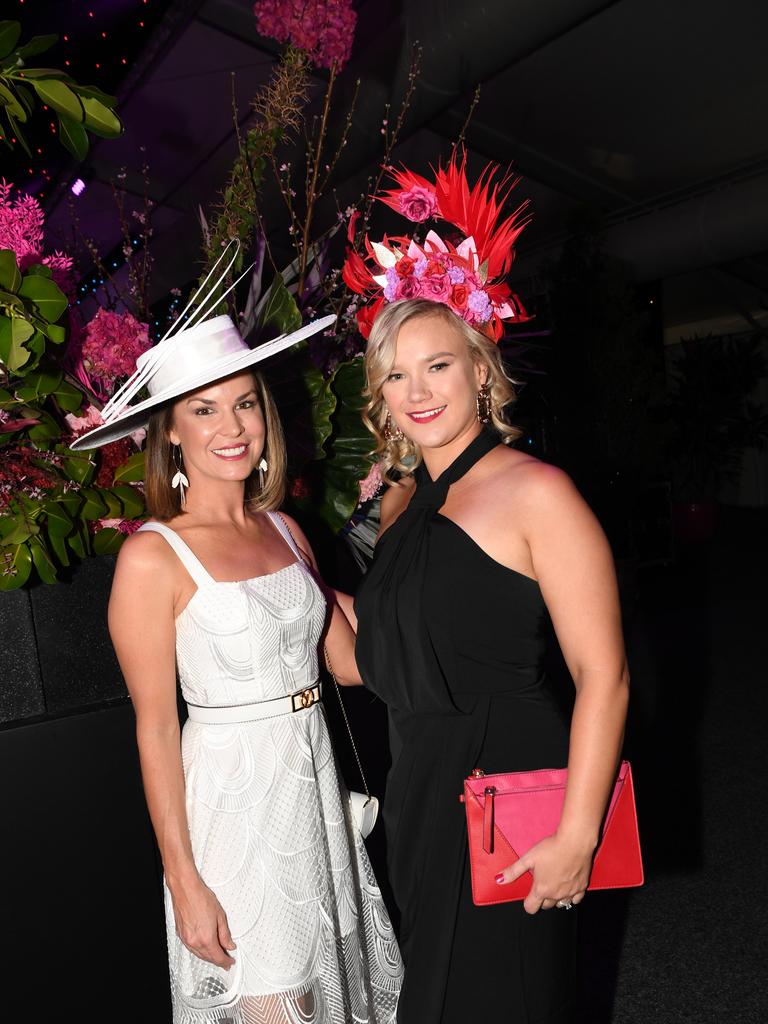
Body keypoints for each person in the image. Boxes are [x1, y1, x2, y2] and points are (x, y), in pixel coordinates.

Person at [344, 157, 630, 1022]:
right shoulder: (401, 504)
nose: (417, 391)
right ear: (380, 397)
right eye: (396, 374)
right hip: (422, 785)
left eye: (437, 366)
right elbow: (371, 660)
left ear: (479, 367)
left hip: (514, 787)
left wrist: (578, 833)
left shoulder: (538, 491)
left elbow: (604, 678)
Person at [72, 290, 403, 1023]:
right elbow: (156, 730)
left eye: (246, 404)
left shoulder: (286, 531)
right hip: (233, 808)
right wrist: (184, 880)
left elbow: (347, 663)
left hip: (311, 785)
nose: (233, 426)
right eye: (206, 410)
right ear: (171, 435)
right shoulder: (151, 559)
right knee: (277, 1000)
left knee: (335, 989)